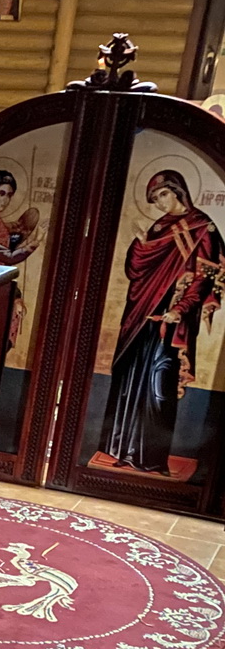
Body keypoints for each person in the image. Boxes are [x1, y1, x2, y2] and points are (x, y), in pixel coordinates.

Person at [98, 169, 224, 474]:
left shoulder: (202, 227)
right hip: (142, 317)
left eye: (163, 194)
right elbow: (135, 270)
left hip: (171, 322)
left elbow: (205, 276)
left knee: (159, 386)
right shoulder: (159, 227)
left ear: (178, 191)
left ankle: (152, 459)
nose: (160, 203)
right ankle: (124, 451)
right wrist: (141, 243)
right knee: (131, 383)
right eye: (155, 199)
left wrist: (180, 308)